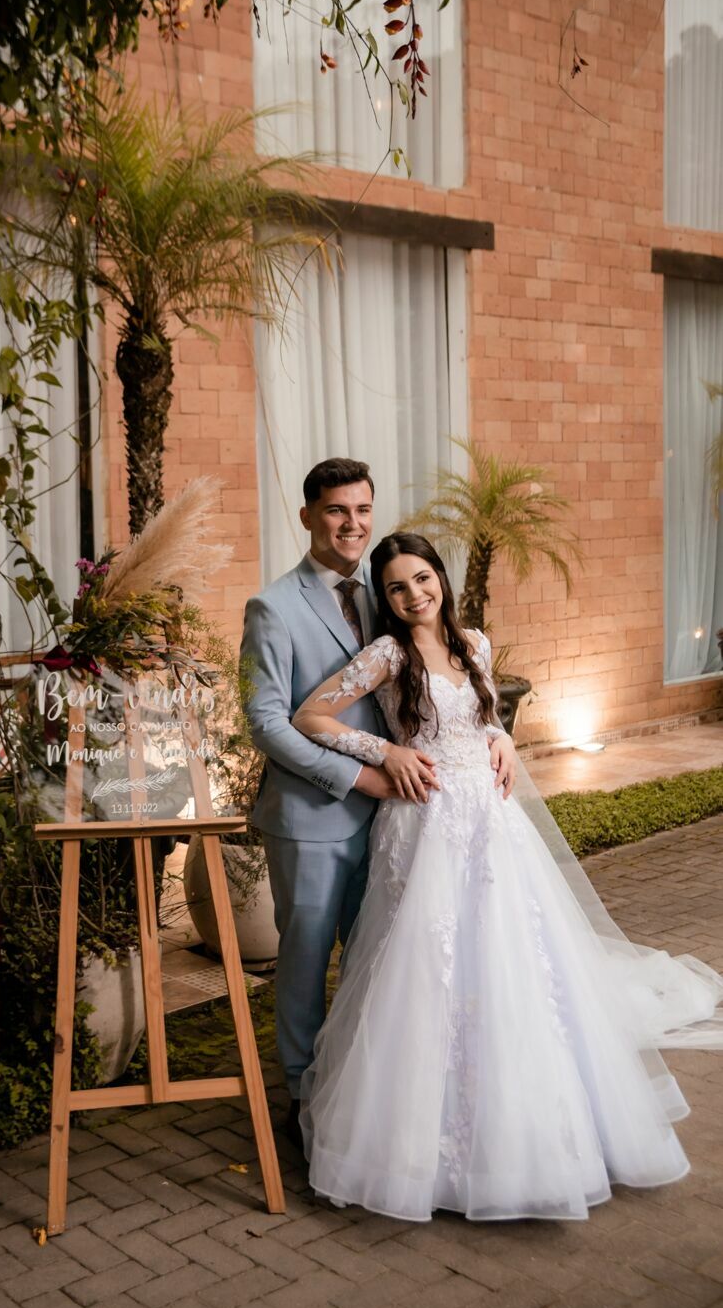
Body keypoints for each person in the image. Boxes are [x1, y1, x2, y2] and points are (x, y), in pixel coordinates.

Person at [292, 531, 723, 1222]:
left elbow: (487, 718)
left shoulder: (476, 645)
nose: (414, 595)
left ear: (441, 579)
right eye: (397, 586)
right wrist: (386, 754)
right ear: (386, 597)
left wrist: (503, 741)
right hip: (425, 818)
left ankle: (533, 1127)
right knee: (426, 962)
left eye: (423, 579)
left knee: (512, 954)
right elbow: (310, 715)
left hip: (491, 823)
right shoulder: (386, 654)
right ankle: (419, 1143)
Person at [240, 464, 515, 1143]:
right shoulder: (272, 608)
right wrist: (367, 773)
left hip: (405, 825)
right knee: (305, 968)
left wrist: (500, 737)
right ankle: (305, 1111)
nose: (353, 523)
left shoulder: (386, 588)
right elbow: (268, 722)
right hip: (317, 818)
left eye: (363, 509)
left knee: (383, 967)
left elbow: (453, 690)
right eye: (337, 511)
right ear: (308, 517)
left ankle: (362, 1096)